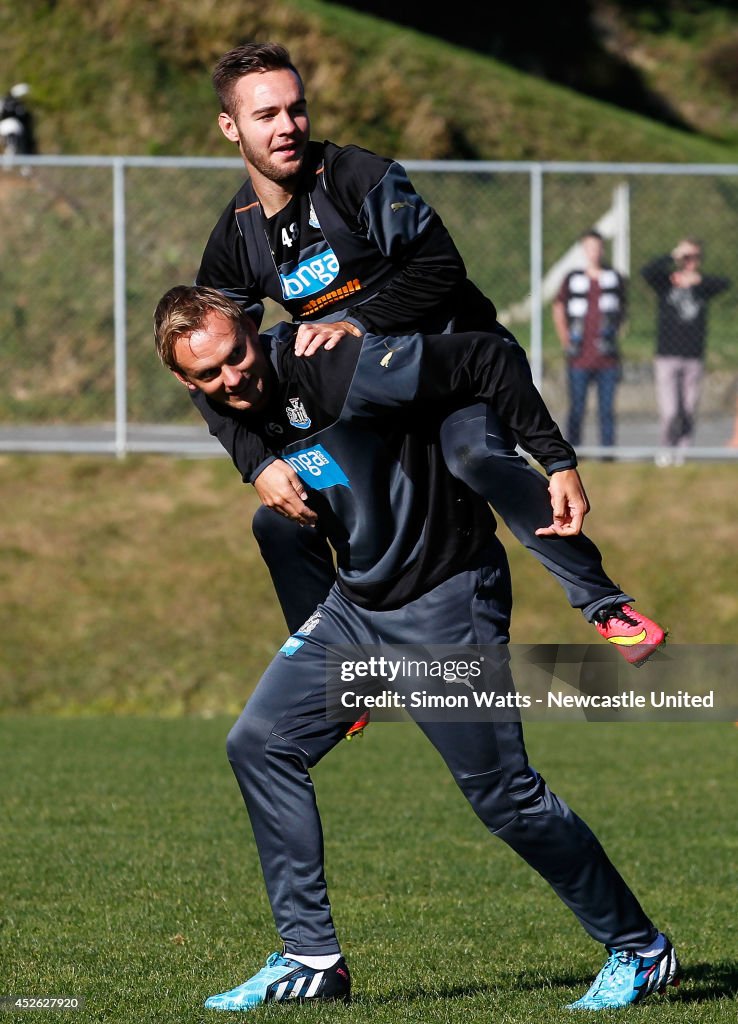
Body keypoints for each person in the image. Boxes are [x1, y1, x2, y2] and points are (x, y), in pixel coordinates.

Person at [153, 284, 680, 1013]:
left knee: (505, 798)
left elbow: (485, 359)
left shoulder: (337, 367)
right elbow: (236, 415)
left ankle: (640, 948)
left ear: (252, 328)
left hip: (444, 600)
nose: (229, 380)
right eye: (207, 376)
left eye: (236, 357)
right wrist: (255, 465)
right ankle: (311, 959)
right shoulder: (224, 400)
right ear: (186, 381)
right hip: (355, 608)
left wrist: (554, 459)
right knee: (260, 743)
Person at [193, 42, 662, 667]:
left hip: (458, 370)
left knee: (475, 458)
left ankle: (606, 605)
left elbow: (441, 268)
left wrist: (356, 320)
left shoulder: (356, 177)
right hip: (373, 407)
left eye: (297, 109)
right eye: (266, 115)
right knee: (282, 518)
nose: (287, 127)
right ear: (231, 127)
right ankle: (329, 667)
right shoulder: (236, 235)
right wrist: (256, 463)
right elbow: (207, 361)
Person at [641, 238, 731, 461]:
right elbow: (647, 271)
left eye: (694, 257)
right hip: (667, 355)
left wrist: (696, 280)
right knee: (671, 412)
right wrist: (673, 256)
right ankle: (666, 449)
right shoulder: (666, 282)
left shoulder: (702, 287)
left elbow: (725, 283)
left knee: (689, 410)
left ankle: (684, 452)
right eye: (687, 257)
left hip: (693, 356)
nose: (690, 262)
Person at [552, 229, 626, 450]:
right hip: (579, 356)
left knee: (606, 409)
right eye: (590, 247)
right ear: (584, 250)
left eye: (598, 247)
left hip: (607, 357)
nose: (594, 252)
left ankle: (607, 451)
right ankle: (573, 451)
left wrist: (615, 335)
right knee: (576, 407)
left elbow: (622, 310)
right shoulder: (573, 279)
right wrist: (565, 338)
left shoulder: (614, 278)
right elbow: (558, 307)